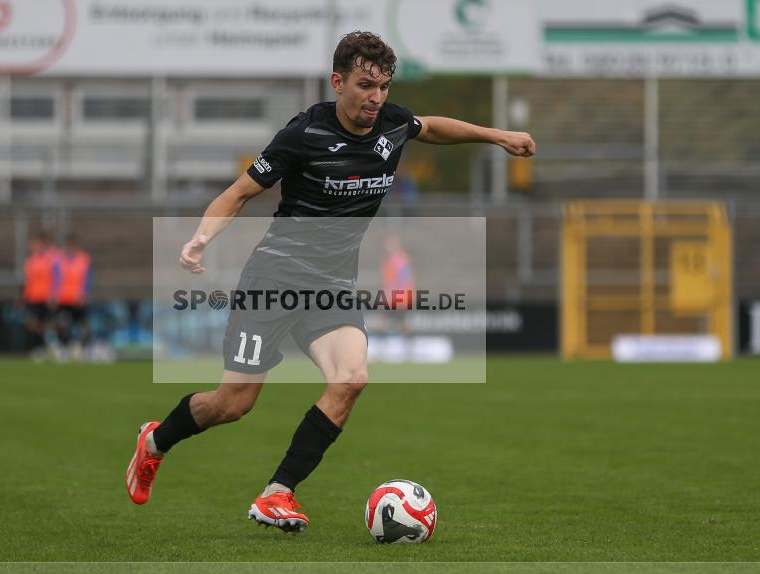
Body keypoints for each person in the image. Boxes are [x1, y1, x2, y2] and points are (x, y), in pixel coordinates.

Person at [126, 31, 535, 532]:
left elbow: (431, 127)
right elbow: (236, 194)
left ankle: (277, 494)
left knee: (351, 378)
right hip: (273, 279)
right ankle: (154, 442)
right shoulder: (304, 134)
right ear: (338, 82)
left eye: (383, 87)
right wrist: (199, 239)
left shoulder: (392, 123)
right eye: (366, 86)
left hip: (333, 285)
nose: (376, 98)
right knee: (233, 404)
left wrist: (498, 136)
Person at [54, 234, 92, 358]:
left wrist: (84, 294)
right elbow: (56, 278)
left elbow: (87, 279)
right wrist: (54, 294)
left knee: (82, 325)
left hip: (78, 299)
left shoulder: (83, 259)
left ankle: (84, 350)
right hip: (64, 299)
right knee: (63, 325)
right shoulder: (60, 260)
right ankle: (64, 349)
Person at [22, 232, 59, 355]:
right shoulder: (31, 260)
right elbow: (29, 280)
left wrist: (53, 295)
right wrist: (25, 295)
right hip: (33, 297)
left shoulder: (51, 259)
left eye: (37, 244)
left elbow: (56, 278)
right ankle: (42, 346)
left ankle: (51, 346)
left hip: (46, 297)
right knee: (33, 324)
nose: (34, 246)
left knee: (46, 323)